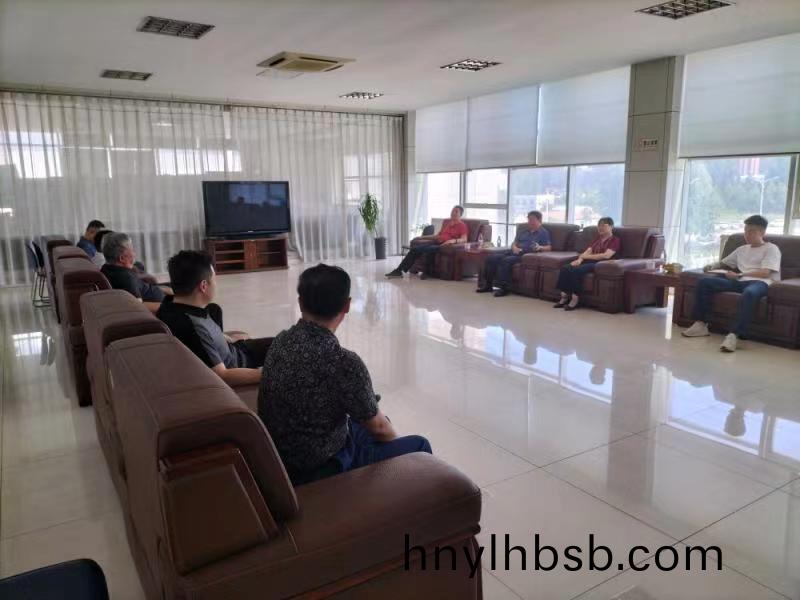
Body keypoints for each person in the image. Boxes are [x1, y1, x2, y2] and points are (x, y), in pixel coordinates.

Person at [260, 264, 432, 485]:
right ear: (347, 305)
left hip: (281, 457)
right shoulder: (343, 362)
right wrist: (397, 451)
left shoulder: (280, 341)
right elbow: (380, 430)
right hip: (323, 467)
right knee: (418, 445)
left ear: (300, 302)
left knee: (372, 420)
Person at [157, 250, 271, 386]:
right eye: (214, 279)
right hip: (241, 363)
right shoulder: (192, 327)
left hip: (235, 350)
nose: (216, 284)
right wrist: (271, 375)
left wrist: (226, 338)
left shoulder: (169, 305)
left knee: (283, 342)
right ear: (203, 286)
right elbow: (223, 376)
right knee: (288, 350)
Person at [682, 215, 781, 352]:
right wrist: (711, 266)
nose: (747, 235)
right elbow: (723, 262)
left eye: (751, 231)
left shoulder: (771, 249)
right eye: (745, 231)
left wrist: (740, 275)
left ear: (762, 232)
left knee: (749, 293)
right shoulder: (742, 249)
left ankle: (734, 335)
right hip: (739, 281)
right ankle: (701, 324)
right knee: (704, 282)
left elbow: (765, 272)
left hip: (760, 283)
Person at [477, 210, 552, 297]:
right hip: (513, 252)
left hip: (525, 255)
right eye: (529, 219)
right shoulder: (524, 231)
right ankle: (488, 285)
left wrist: (540, 247)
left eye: (532, 219)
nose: (529, 221)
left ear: (539, 220)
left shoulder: (543, 233)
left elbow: (549, 247)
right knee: (491, 258)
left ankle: (504, 288)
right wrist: (514, 247)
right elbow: (514, 243)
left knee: (506, 261)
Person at [554, 217, 620, 311]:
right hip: (590, 260)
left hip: (601, 264)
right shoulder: (598, 239)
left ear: (611, 227)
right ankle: (564, 297)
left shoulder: (615, 240)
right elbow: (587, 251)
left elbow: (606, 255)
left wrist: (585, 257)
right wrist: (579, 260)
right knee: (566, 267)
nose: (600, 228)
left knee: (576, 270)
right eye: (599, 225)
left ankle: (575, 299)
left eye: (603, 225)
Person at [385, 205, 468, 279]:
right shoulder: (447, 224)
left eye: (456, 211)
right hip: (436, 242)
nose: (453, 213)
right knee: (415, 249)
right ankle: (398, 271)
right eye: (452, 211)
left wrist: (452, 241)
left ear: (460, 214)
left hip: (444, 246)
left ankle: (427, 272)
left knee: (428, 250)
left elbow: (464, 239)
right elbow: (437, 236)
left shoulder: (462, 225)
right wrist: (421, 237)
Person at [100, 232, 172, 313]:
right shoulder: (126, 278)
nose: (134, 254)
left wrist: (162, 289)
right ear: (122, 258)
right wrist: (171, 307)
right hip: (163, 307)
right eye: (132, 250)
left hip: (156, 292)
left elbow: (141, 287)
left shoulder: (106, 268)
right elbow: (137, 306)